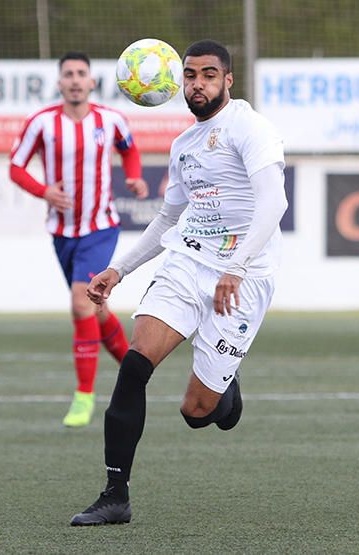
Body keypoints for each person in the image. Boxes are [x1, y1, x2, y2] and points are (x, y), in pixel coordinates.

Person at [70, 39, 288, 526]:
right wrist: (119, 269)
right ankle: (114, 495)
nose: (198, 84)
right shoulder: (184, 145)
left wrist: (236, 266)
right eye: (190, 76)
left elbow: (274, 204)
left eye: (209, 75)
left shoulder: (250, 128)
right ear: (178, 81)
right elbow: (170, 216)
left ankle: (225, 391)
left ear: (228, 80)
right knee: (134, 364)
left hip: (244, 276)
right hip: (187, 264)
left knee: (197, 411)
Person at [9, 51, 148, 428]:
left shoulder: (110, 119)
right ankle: (133, 368)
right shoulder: (41, 123)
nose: (74, 79)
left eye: (81, 74)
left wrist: (133, 176)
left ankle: (84, 397)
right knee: (94, 307)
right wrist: (44, 191)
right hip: (61, 231)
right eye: (68, 74)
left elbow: (128, 149)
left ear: (91, 82)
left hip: (100, 227)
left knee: (79, 303)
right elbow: (16, 167)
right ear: (60, 82)